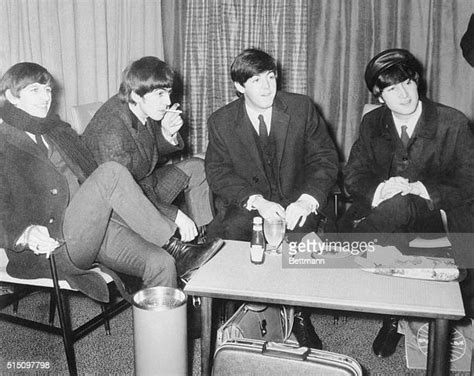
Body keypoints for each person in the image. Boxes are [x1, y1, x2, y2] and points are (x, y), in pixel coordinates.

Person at [0, 62, 223, 303]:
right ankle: (173, 245)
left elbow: (93, 178)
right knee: (111, 173)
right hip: (54, 243)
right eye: (35, 90)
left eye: (48, 90)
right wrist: (24, 233)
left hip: (94, 224)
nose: (45, 97)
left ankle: (163, 337)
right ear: (12, 96)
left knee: (161, 263)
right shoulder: (4, 143)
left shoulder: (57, 130)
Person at [340, 49, 474, 357]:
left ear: (417, 82)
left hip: (439, 216)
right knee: (394, 206)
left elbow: (469, 182)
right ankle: (392, 319)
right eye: (391, 88)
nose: (403, 94)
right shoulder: (373, 122)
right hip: (385, 215)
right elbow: (353, 175)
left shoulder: (451, 122)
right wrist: (380, 190)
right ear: (380, 96)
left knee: (402, 207)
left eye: (408, 83)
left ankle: (344, 253)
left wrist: (423, 189)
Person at [205, 48, 339, 349]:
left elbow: (325, 160)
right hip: (251, 207)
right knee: (233, 238)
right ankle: (242, 318)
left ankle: (300, 317)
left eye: (270, 77)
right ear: (239, 87)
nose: (266, 87)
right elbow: (218, 172)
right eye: (255, 81)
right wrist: (256, 202)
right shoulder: (221, 121)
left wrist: (307, 200)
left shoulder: (301, 108)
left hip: (297, 202)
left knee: (302, 244)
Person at [83, 56, 213, 243]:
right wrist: (177, 216)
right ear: (136, 95)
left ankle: (201, 239)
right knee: (176, 219)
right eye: (160, 94)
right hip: (125, 208)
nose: (167, 101)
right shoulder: (111, 132)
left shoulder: (140, 104)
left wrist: (167, 134)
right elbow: (126, 196)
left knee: (198, 168)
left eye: (167, 92)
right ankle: (182, 246)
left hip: (145, 183)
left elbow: (143, 152)